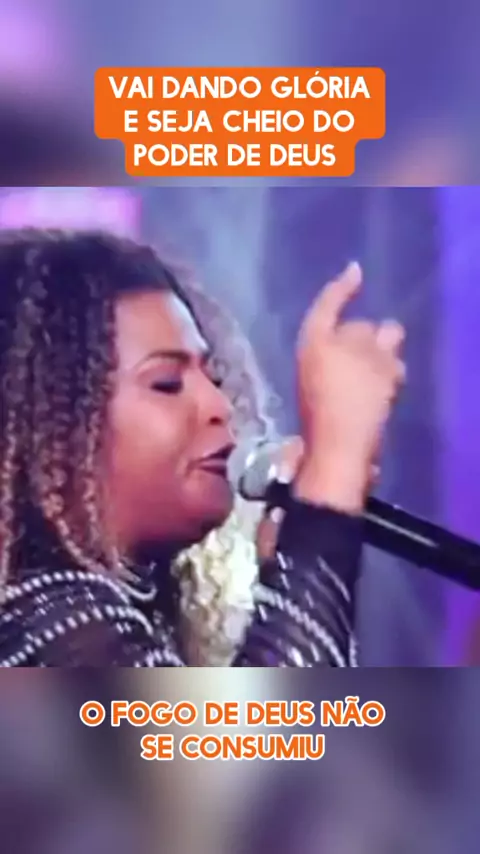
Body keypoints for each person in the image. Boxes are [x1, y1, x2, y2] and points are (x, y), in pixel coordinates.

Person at [0, 229, 405, 667]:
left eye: (214, 378)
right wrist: (331, 483)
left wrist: (291, 566)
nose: (219, 406)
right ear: (51, 425)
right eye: (166, 383)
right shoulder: (44, 622)